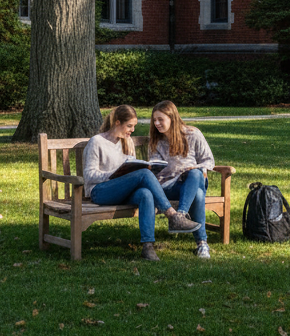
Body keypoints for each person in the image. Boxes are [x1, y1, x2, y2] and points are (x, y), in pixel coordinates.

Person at [82, 104, 201, 261]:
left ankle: (148, 247)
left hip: (124, 191)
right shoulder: (96, 142)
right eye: (129, 126)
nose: (132, 130)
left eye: (134, 126)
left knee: (145, 193)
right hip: (100, 192)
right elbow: (89, 175)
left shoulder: (127, 141)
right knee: (144, 174)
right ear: (117, 122)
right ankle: (173, 216)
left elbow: (132, 166)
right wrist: (115, 175)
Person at [148, 99, 215, 259]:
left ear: (172, 118)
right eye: (154, 120)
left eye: (160, 119)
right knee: (198, 195)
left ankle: (180, 216)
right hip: (168, 187)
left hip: (192, 181)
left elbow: (208, 161)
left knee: (195, 174)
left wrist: (196, 168)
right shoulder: (156, 140)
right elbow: (154, 165)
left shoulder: (193, 134)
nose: (157, 123)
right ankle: (202, 244)